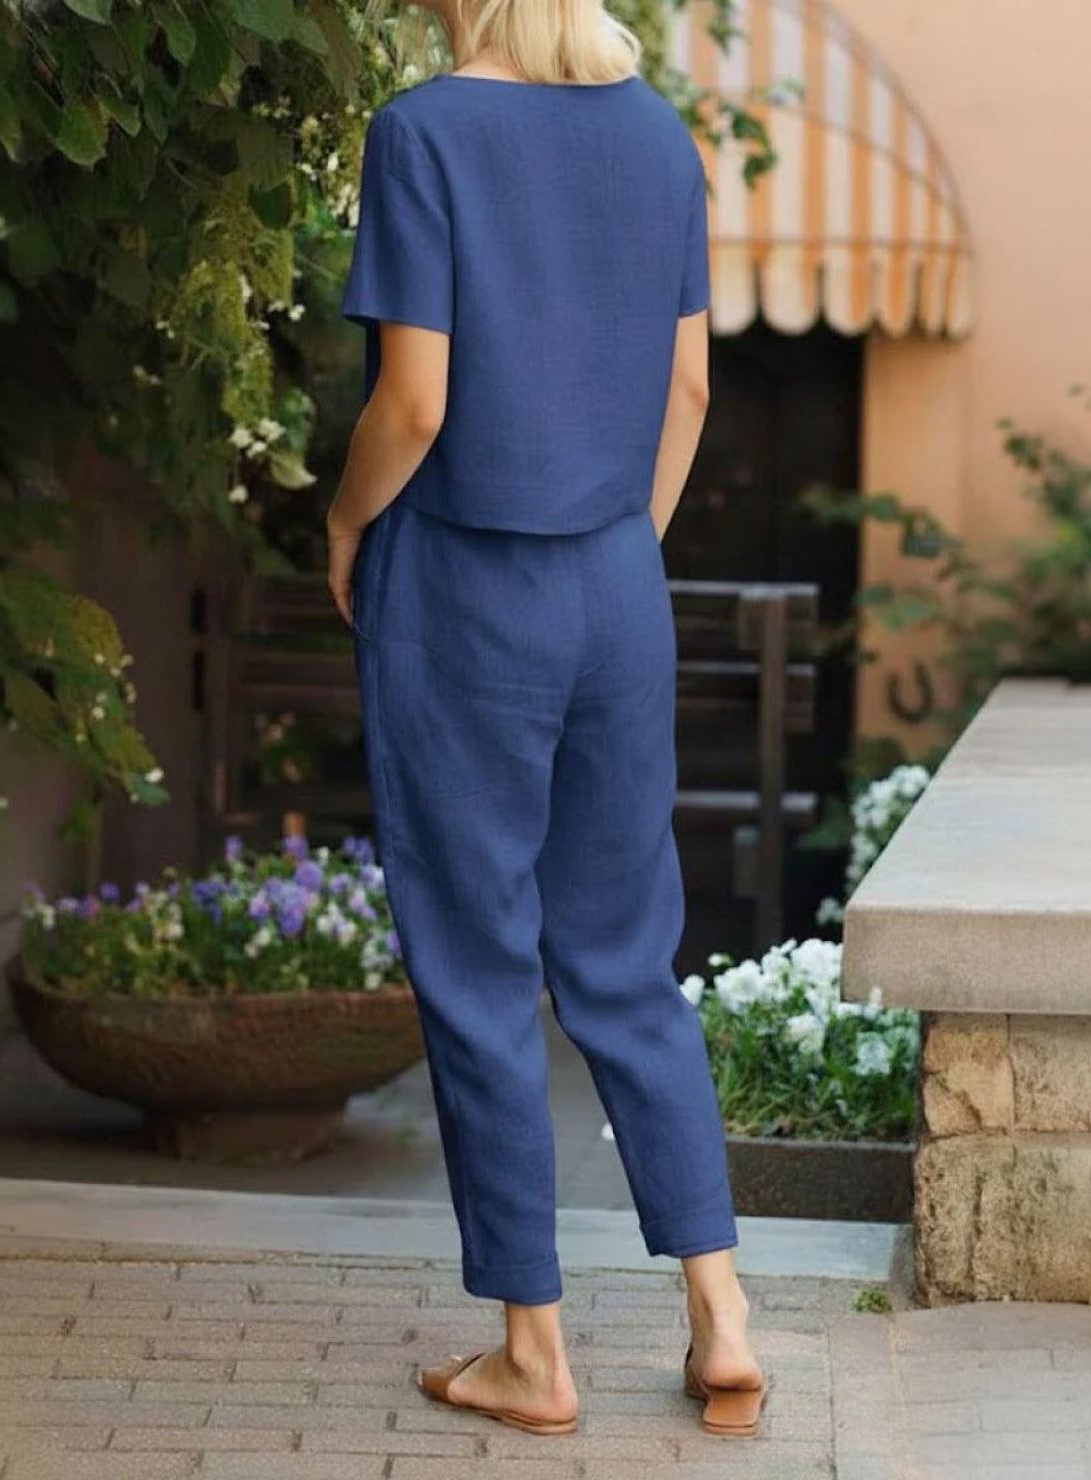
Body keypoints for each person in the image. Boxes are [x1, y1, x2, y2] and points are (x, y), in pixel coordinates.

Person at [326, 0, 765, 1441]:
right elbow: (690, 385)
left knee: (477, 967)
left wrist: (343, 522)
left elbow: (414, 402)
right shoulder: (657, 138)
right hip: (615, 583)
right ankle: (722, 1318)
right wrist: (621, 545)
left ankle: (533, 1352)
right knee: (626, 964)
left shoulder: (423, 132)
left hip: (465, 588)